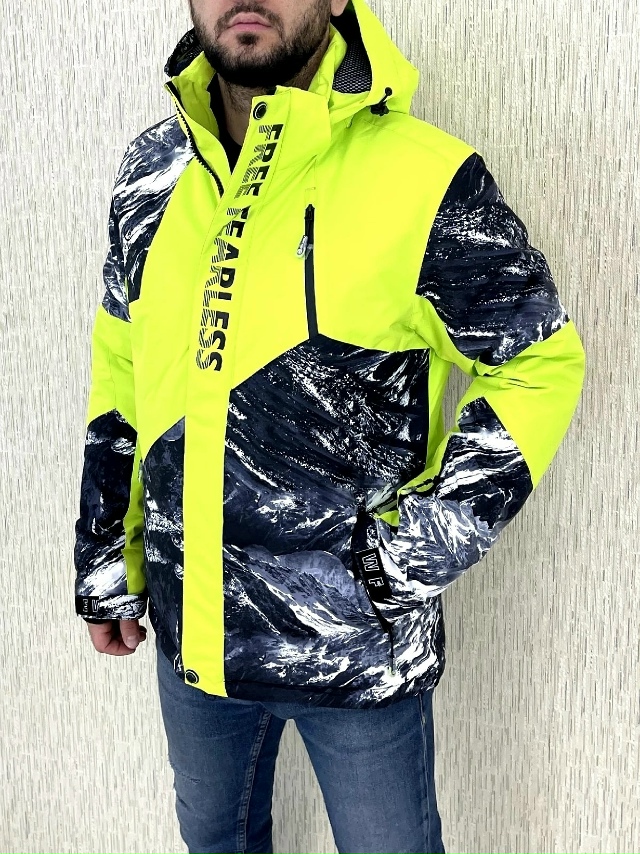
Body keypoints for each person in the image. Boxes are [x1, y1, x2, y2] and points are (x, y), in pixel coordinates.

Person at [73, 1, 585, 852]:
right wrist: (106, 556)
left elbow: (538, 362)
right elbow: (123, 361)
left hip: (355, 646)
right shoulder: (152, 174)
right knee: (214, 840)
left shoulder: (425, 177)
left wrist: (400, 560)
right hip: (191, 631)